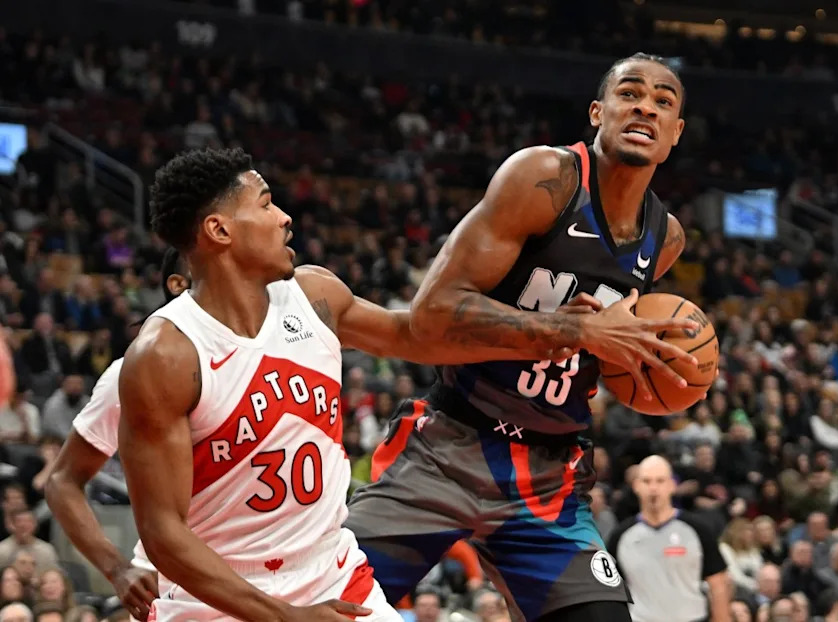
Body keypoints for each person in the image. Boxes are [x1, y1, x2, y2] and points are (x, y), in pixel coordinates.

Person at [119, 148, 630, 622]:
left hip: (331, 572)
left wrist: (556, 331)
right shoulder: (165, 354)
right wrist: (285, 617)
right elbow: (163, 536)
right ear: (219, 230)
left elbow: (414, 335)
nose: (285, 217)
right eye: (267, 204)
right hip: (220, 594)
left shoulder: (314, 295)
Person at [347, 52, 701, 622]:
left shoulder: (667, 239)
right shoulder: (543, 179)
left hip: (548, 480)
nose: (646, 108)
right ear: (597, 112)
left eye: (664, 102)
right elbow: (431, 313)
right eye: (630, 93)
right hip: (450, 449)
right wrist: (568, 328)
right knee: (315, 604)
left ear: (676, 133)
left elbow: (605, 350)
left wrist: (652, 365)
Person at [45, 249, 190, 621]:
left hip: (274, 573)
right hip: (181, 588)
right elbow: (62, 480)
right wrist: (117, 568)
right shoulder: (134, 372)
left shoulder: (264, 356)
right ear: (179, 284)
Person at [607, 455, 730, 622]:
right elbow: (608, 592)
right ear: (636, 486)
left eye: (660, 481)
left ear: (672, 485)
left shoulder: (697, 529)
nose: (653, 488)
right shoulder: (621, 536)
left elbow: (718, 585)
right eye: (646, 481)